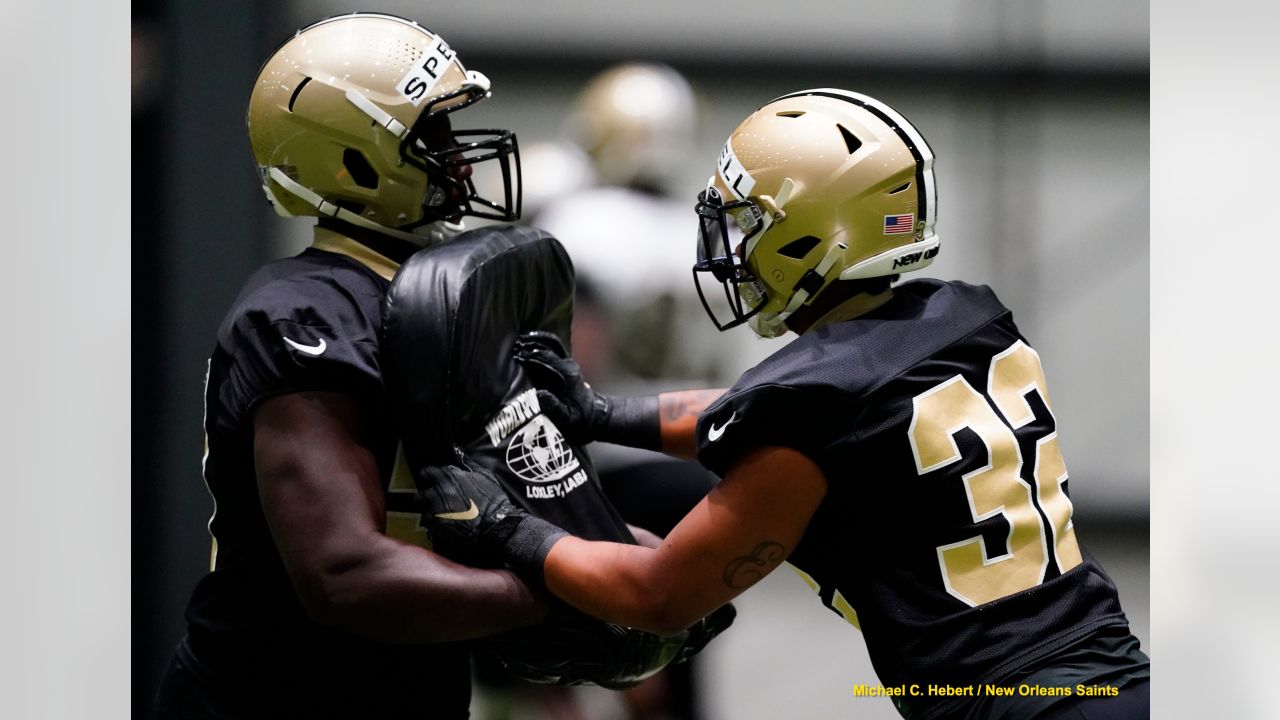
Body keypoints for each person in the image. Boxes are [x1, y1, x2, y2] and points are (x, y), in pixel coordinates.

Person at [414, 89, 1152, 719]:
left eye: (748, 225)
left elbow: (659, 593)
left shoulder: (818, 405)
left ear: (812, 235)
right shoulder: (962, 318)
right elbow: (764, 412)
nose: (729, 250)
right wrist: (600, 413)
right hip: (1113, 675)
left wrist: (506, 529)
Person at [152, 13, 722, 718]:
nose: (459, 156)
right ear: (352, 159)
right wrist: (563, 587)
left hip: (407, 687)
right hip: (275, 696)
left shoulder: (443, 295)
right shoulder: (306, 314)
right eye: (433, 135)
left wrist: (608, 547)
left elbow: (507, 497)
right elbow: (346, 572)